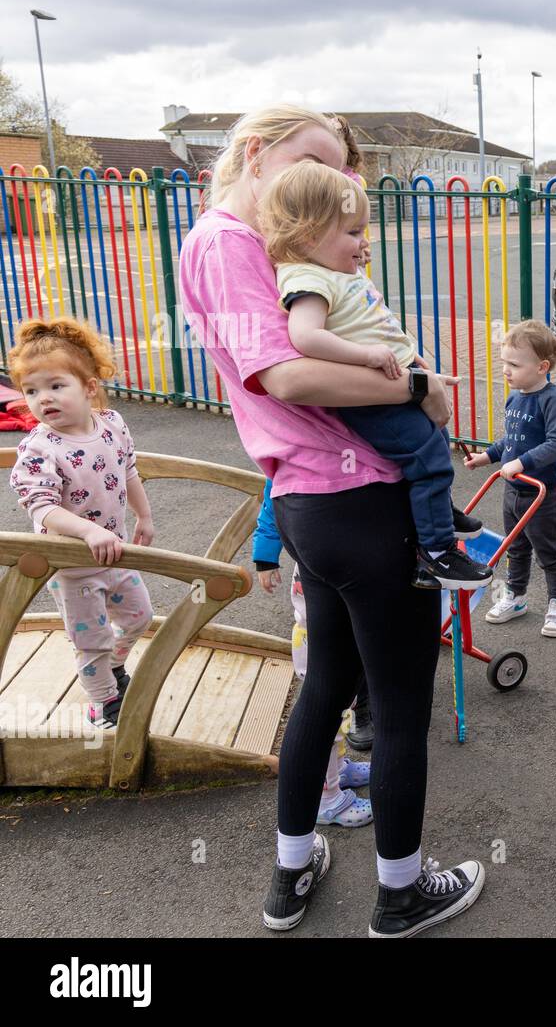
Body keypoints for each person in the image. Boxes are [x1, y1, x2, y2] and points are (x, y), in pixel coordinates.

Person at [178, 104, 484, 939]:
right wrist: (420, 387)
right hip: (356, 498)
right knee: (400, 702)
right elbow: (285, 374)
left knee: (328, 685)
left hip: (314, 503)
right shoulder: (232, 242)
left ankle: (291, 867)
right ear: (254, 152)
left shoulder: (263, 245)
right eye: (311, 158)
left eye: (344, 168)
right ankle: (401, 892)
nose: (336, 181)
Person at [259, 159, 490, 591]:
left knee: (435, 444)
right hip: (371, 397)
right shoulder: (306, 279)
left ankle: (437, 515)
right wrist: (365, 356)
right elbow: (305, 337)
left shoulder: (329, 267)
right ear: (310, 235)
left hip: (393, 381)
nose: (362, 242)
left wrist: (352, 256)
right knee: (429, 461)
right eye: (352, 232)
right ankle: (437, 553)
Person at [8, 318, 154, 730]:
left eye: (56, 386)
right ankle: (102, 700)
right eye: (32, 391)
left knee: (140, 617)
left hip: (116, 552)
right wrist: (88, 530)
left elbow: (128, 470)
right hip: (73, 567)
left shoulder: (111, 424)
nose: (44, 399)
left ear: (89, 387)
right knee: (89, 641)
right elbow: (41, 507)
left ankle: (115, 666)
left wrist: (144, 515)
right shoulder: (39, 447)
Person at [251, 479, 373, 828]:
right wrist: (264, 553)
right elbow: (273, 496)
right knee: (327, 708)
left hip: (329, 579)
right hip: (321, 607)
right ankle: (327, 799)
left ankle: (336, 768)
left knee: (340, 705)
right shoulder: (301, 463)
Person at [465, 320, 556, 638]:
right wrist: (486, 457)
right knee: (515, 548)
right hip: (513, 491)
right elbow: (510, 441)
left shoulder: (553, 401)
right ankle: (516, 597)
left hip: (541, 496)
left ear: (542, 367)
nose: (506, 371)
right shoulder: (516, 398)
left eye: (514, 364)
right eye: (504, 363)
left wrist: (522, 462)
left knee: (549, 552)